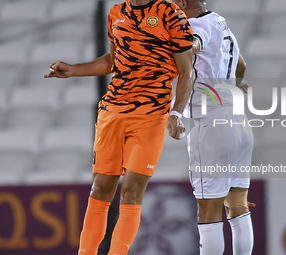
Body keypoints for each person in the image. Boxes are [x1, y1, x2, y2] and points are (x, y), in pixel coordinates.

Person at [44, 0, 193, 254]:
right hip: (112, 112)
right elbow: (114, 61)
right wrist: (74, 70)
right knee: (100, 189)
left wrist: (177, 112)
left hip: (151, 114)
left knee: (131, 192)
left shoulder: (170, 14)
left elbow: (186, 71)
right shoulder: (116, 13)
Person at [171, 0, 255, 254]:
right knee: (238, 204)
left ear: (183, 3)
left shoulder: (194, 25)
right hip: (239, 121)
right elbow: (241, 65)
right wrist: (236, 83)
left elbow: (191, 44)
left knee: (209, 209)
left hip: (211, 124)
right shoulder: (220, 22)